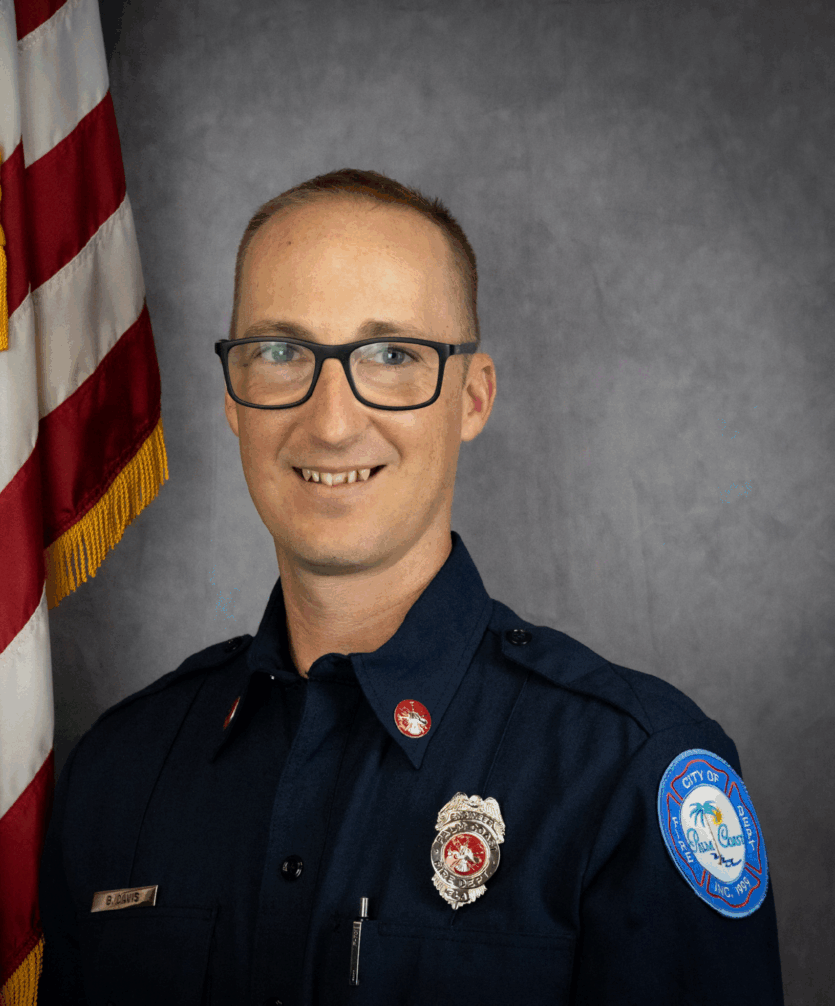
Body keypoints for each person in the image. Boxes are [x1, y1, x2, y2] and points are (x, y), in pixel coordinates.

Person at [38, 169, 783, 1005]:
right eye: (281, 352)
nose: (330, 420)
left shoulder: (627, 776)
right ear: (233, 401)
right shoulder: (122, 771)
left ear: (472, 397)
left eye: (391, 355)